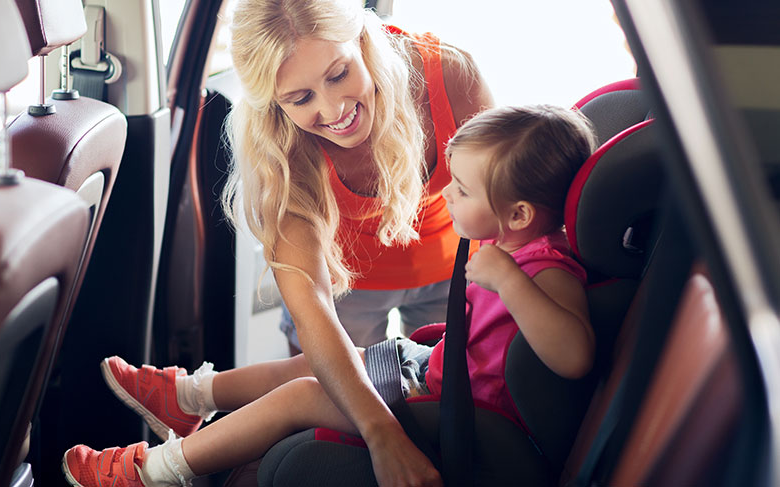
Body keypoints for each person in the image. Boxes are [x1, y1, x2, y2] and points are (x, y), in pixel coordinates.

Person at [61, 104, 599, 487]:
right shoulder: (509, 241)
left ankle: (151, 472)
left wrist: (507, 281)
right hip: (433, 372)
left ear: (521, 214)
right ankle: (187, 399)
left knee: (304, 394)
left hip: (462, 414)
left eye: (460, 189)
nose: (445, 193)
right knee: (315, 364)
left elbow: (573, 356)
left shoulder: (546, 269)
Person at [226, 0, 492, 353]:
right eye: (301, 98)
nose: (334, 109)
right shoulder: (277, 141)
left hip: (456, 265)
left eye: (338, 75)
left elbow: (504, 194)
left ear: (362, 41)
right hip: (343, 286)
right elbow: (313, 316)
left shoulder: (449, 73)